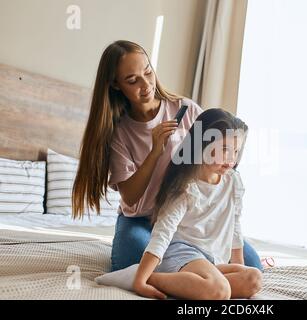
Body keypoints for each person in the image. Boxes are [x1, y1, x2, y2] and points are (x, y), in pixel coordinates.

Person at [71, 40, 262, 273]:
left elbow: (223, 159)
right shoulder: (119, 132)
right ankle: (194, 275)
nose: (146, 84)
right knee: (132, 260)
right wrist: (155, 152)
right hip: (142, 219)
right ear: (116, 85)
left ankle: (198, 275)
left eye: (148, 72)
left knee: (252, 265)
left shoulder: (187, 109)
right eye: (132, 80)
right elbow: (130, 198)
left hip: (188, 219)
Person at [129, 108, 262, 299]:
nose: (231, 158)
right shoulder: (187, 187)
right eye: (224, 149)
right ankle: (151, 278)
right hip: (182, 253)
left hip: (212, 258)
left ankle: (198, 284)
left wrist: (239, 267)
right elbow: (163, 233)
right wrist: (141, 280)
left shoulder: (233, 181)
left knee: (254, 278)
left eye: (236, 151)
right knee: (220, 290)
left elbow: (235, 226)